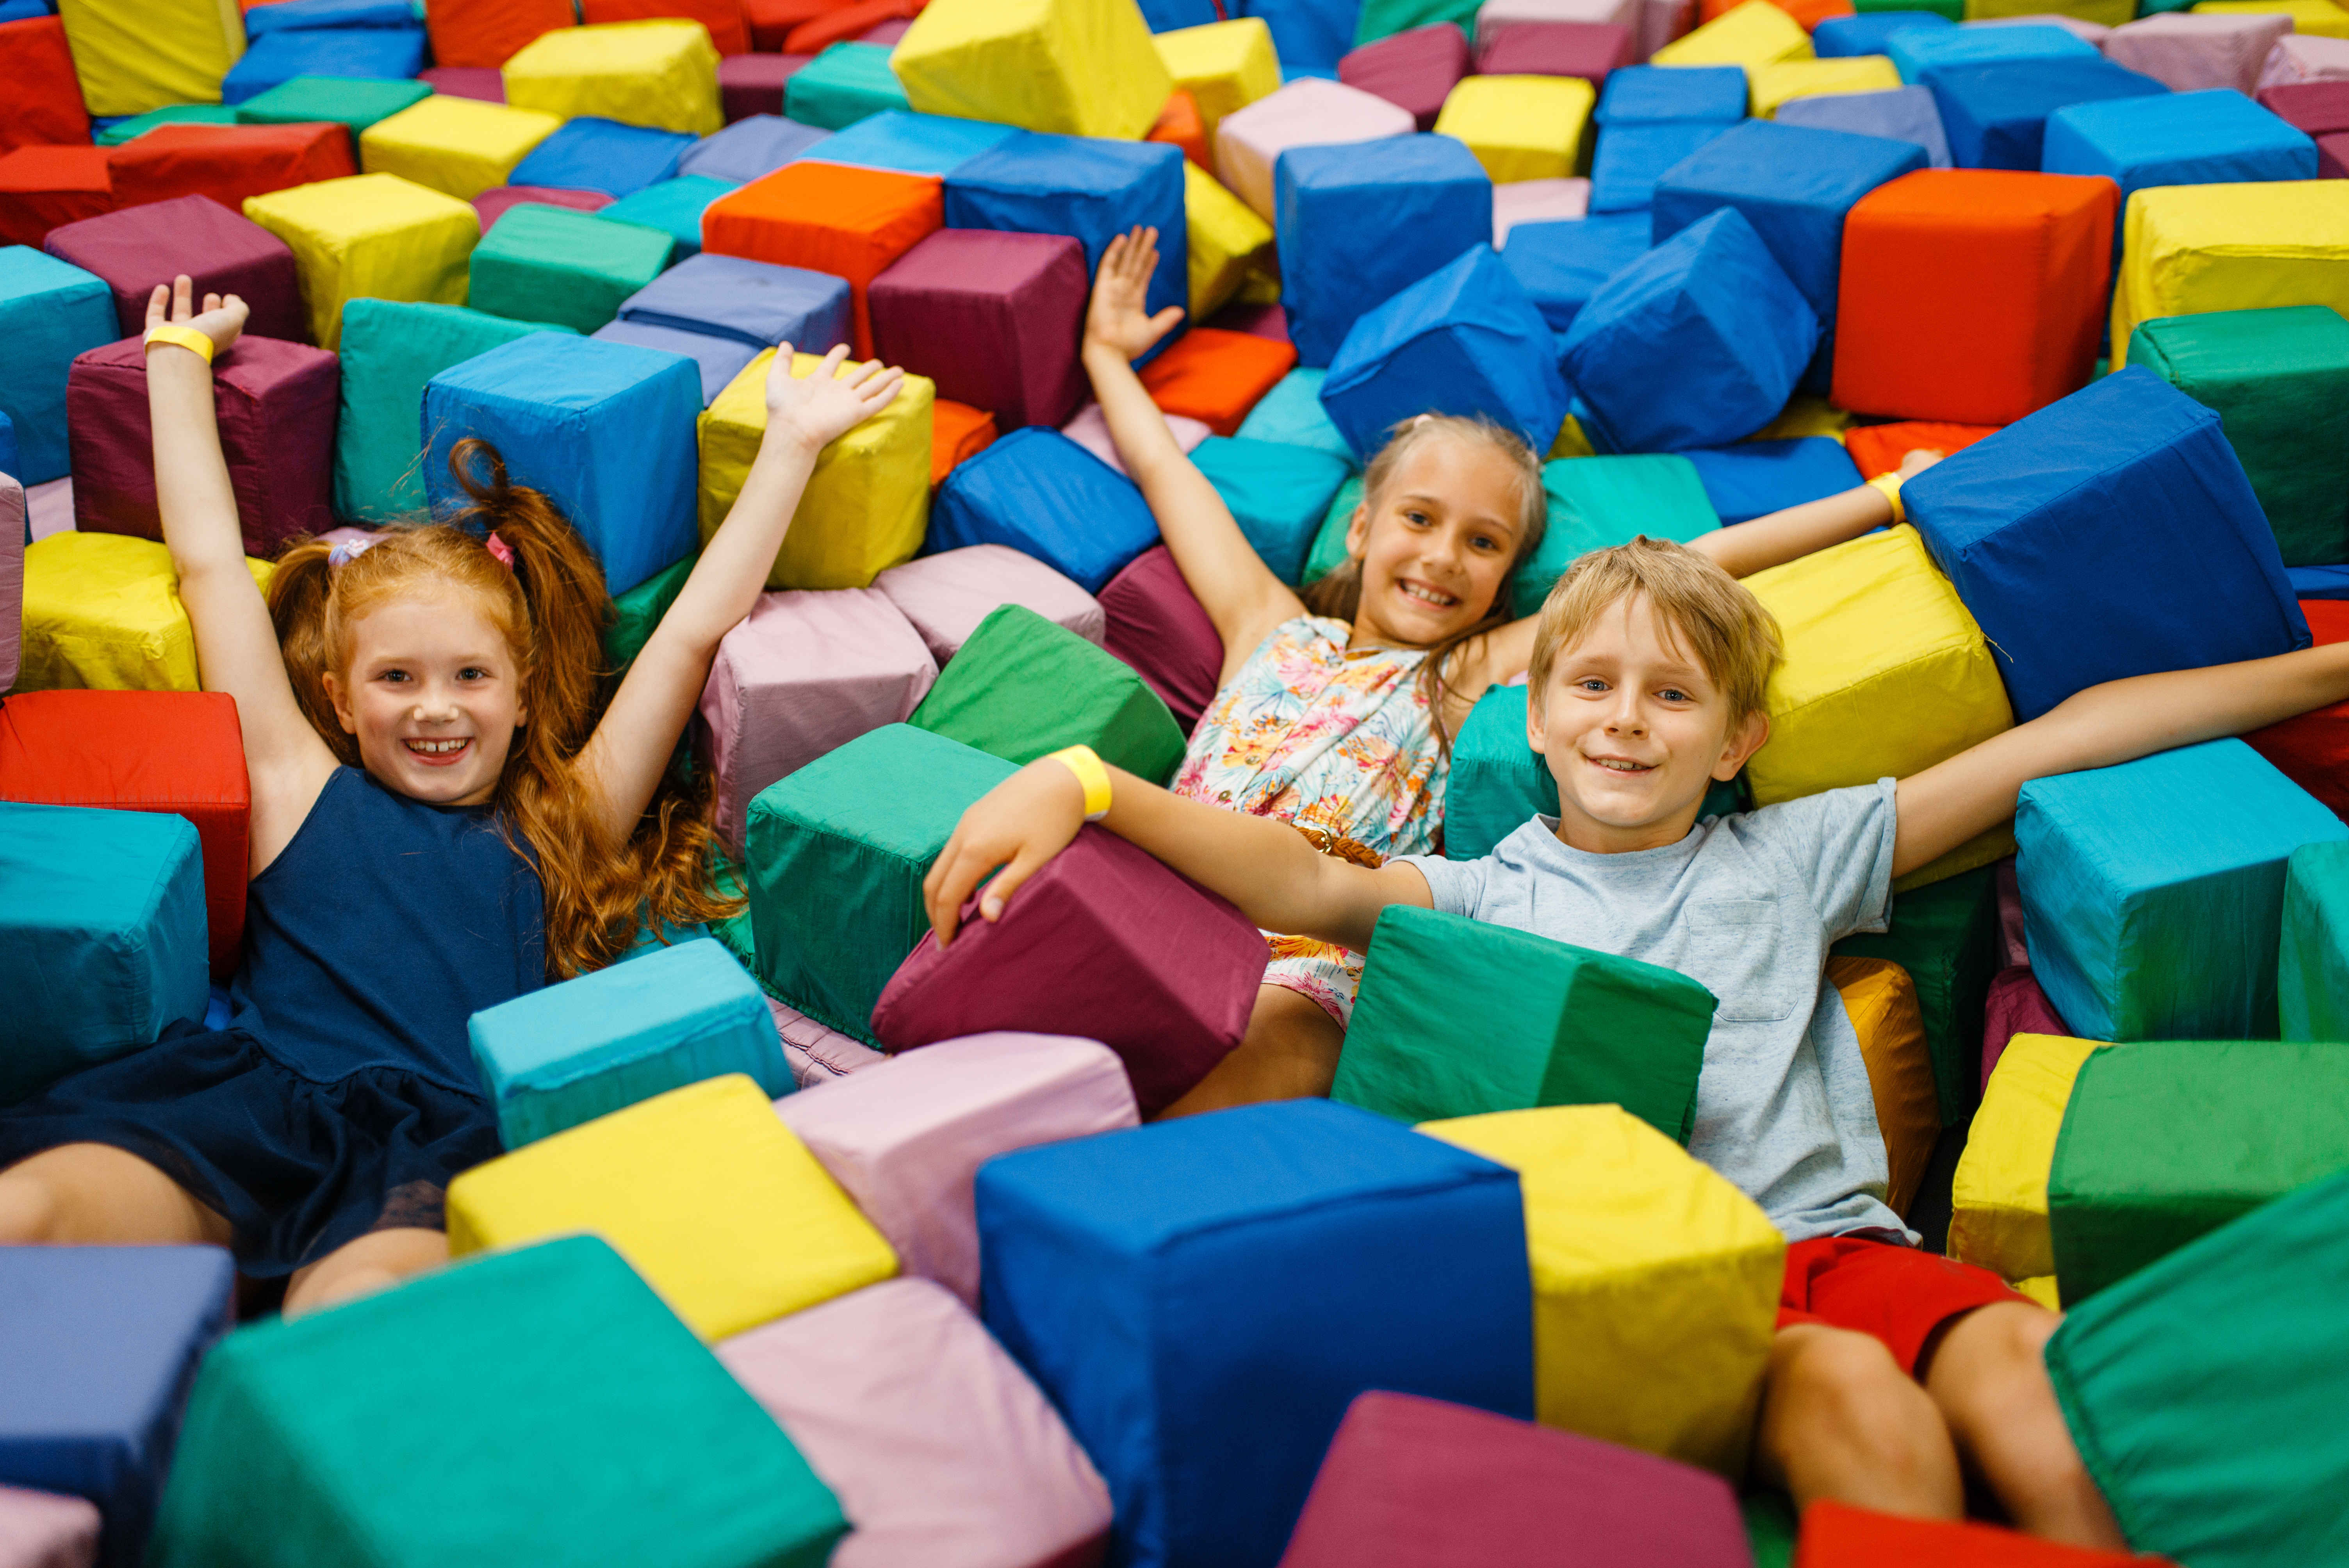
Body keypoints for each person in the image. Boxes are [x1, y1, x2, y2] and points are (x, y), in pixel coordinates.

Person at [921, 534, 2349, 1543]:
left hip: (1834, 1242)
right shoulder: (1482, 894)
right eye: (1593, 686)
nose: (1626, 720)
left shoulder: (1792, 853)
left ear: (1734, 741)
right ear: (1536, 720)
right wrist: (1090, 780)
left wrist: (2318, 671)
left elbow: (2063, 737)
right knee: (1856, 1400)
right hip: (1659, 1278)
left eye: (1673, 696)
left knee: (2024, 1369)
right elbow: (1300, 882)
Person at [0, 278, 904, 1315]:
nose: (435, 707)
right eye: (397, 678)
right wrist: (175, 360)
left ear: (522, 696)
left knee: (356, 1310)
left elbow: (692, 631)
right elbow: (209, 570)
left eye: (471, 676)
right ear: (341, 702)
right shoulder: (296, 786)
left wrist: (792, 442)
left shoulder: (565, 821)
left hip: (429, 1144)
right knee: (28, 1212)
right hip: (249, 1104)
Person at [1084, 225, 1943, 1114]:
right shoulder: (1268, 623)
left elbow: (1706, 557)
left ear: (1506, 582)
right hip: (1165, 883)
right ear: (1361, 529)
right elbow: (1165, 472)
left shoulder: (1463, 672)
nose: (1442, 557)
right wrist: (1106, 353)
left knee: (1263, 1046)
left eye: (1483, 542)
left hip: (1309, 957)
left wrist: (1883, 498)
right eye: (1419, 519)